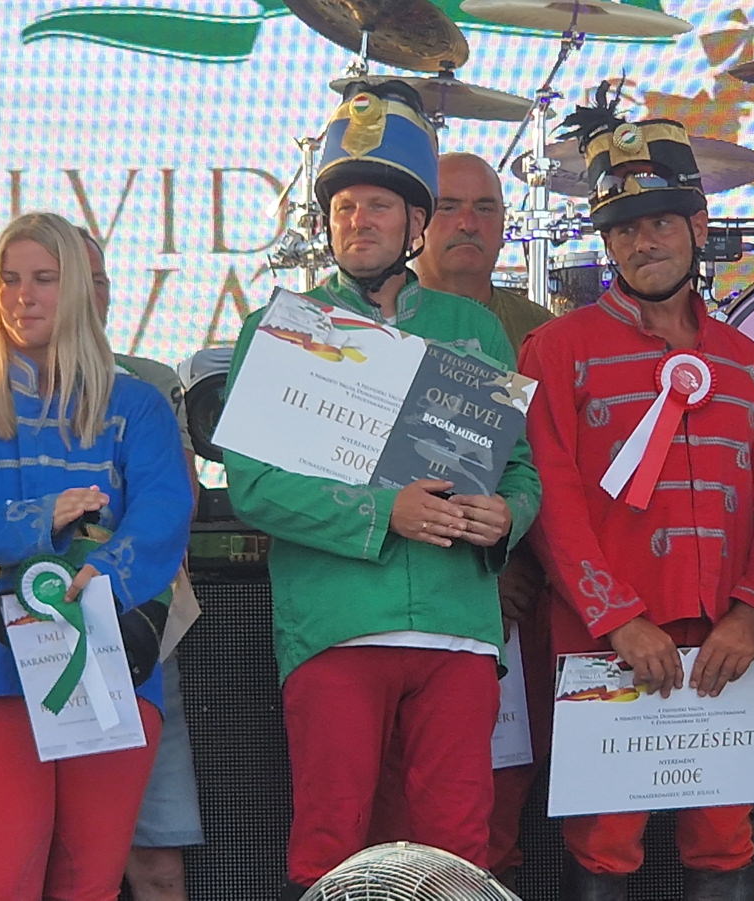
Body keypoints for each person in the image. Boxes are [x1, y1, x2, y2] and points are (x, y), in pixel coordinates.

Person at [220, 81, 540, 899]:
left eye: (377, 206)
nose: (358, 221)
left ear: (415, 222)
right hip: (337, 626)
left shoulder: (474, 329)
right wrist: (383, 510)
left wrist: (506, 513)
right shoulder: (283, 328)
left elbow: (522, 469)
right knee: (330, 849)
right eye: (344, 208)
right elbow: (254, 487)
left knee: (457, 858)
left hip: (459, 630)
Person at [518, 97, 754, 900]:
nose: (643, 242)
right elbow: (551, 502)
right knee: (603, 841)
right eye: (623, 229)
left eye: (661, 223)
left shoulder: (747, 362)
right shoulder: (555, 349)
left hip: (729, 644)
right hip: (606, 639)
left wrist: (751, 614)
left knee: (726, 837)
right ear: (606, 243)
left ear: (698, 226)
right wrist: (617, 618)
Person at [0, 211, 193, 899]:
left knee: (89, 886)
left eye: (43, 278)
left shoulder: (139, 405)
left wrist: (105, 574)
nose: (22, 296)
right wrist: (45, 517)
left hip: (111, 664)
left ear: (78, 289)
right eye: (8, 279)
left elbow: (164, 512)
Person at [411, 151, 554, 887]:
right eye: (448, 206)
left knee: (494, 805)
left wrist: (512, 561)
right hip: (401, 599)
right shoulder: (382, 321)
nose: (467, 223)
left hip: (518, 599)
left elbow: (548, 470)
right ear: (416, 221)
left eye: (486, 207)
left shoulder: (540, 331)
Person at [81, 230, 204, 901]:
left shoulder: (149, 382)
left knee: (156, 862)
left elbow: (177, 501)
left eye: (100, 278)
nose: (92, 293)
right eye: (74, 277)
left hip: (139, 640)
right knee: (63, 863)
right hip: (29, 648)